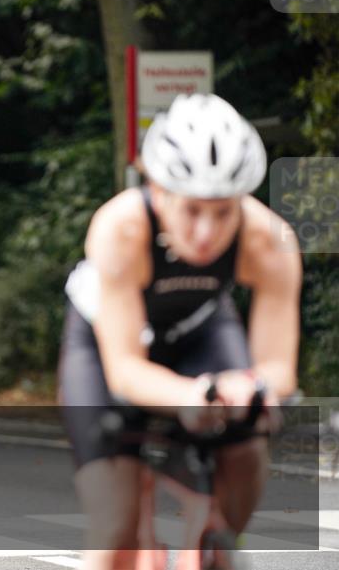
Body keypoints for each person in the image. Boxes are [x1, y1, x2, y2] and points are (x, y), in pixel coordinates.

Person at [58, 94, 301, 570]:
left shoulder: (269, 240)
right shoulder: (120, 227)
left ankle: (215, 546)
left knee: (248, 448)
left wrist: (251, 388)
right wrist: (196, 393)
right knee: (116, 527)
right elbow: (126, 370)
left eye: (224, 211)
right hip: (107, 345)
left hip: (198, 331)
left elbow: (278, 368)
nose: (207, 232)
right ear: (157, 189)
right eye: (192, 210)